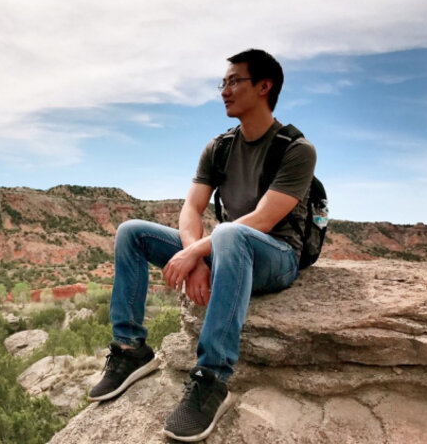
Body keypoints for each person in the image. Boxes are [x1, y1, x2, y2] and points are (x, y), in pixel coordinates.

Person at [88, 49, 317, 442]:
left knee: (229, 234)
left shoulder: (295, 149)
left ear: (264, 86)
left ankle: (211, 379)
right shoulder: (219, 147)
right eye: (222, 83)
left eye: (234, 81)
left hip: (276, 256)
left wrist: (196, 252)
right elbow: (191, 209)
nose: (224, 91)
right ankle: (129, 350)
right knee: (131, 231)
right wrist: (195, 258)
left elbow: (263, 220)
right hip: (226, 249)